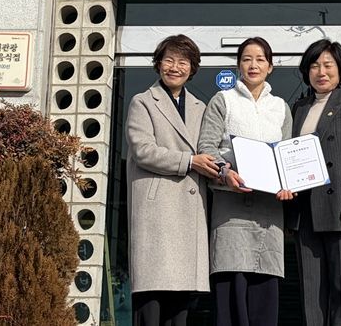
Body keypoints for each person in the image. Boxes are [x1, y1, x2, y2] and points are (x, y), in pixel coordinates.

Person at [197, 37, 293, 326]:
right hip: (230, 210)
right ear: (238, 65)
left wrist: (287, 184)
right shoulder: (222, 100)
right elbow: (207, 147)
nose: (253, 65)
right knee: (231, 297)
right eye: (247, 59)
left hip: (269, 213)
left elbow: (286, 156)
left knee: (264, 299)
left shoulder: (280, 107)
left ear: (270, 67)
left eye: (260, 59)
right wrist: (225, 171)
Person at [126, 35, 220, 326]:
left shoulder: (200, 107)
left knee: (180, 308)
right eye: (169, 60)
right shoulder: (142, 102)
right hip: (157, 212)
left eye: (183, 62)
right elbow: (143, 150)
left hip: (188, 213)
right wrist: (189, 161)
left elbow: (210, 150)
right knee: (151, 304)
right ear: (158, 64)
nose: (175, 67)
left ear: (192, 68)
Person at [286, 39, 341, 326]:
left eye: (328, 65)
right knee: (311, 294)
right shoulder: (299, 107)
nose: (321, 72)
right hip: (305, 211)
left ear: (340, 69)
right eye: (314, 66)